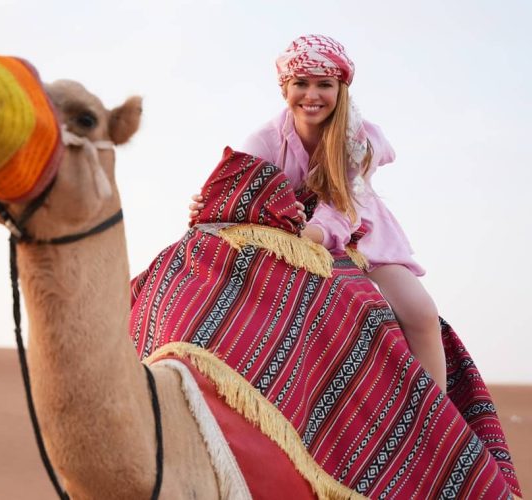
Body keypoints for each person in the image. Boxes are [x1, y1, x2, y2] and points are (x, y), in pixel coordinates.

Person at [190, 34, 446, 390]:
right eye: (301, 84)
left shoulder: (360, 141)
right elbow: (239, 188)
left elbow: (341, 205)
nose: (312, 95)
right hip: (286, 232)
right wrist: (210, 203)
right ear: (285, 89)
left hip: (357, 231)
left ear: (341, 90)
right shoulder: (264, 141)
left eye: (324, 84)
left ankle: (434, 419)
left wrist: (308, 234)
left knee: (420, 312)